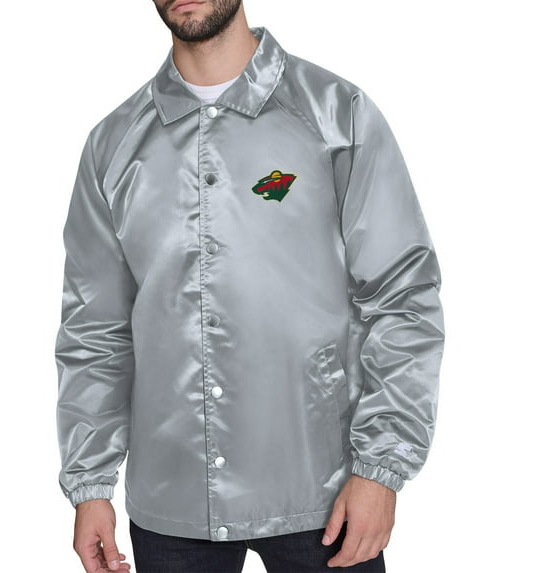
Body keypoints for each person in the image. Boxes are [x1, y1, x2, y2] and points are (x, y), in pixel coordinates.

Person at [54, 1, 445, 571]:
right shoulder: (113, 146)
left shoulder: (337, 114)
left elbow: (403, 296)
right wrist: (90, 485)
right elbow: (96, 330)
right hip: (172, 501)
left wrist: (381, 470)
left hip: (325, 491)